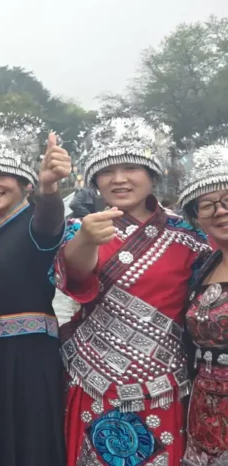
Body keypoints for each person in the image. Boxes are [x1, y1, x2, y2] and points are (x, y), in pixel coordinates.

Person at [54, 117, 209, 466]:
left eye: (131, 168)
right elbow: (75, 276)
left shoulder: (188, 237)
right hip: (95, 381)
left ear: (152, 175)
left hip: (162, 385)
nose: (119, 179)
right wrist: (86, 240)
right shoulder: (80, 229)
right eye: (108, 171)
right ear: (94, 180)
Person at [0, 113, 70, 466]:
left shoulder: (34, 223)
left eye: (1, 175)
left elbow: (51, 222)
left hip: (28, 359)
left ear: (24, 181)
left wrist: (50, 188)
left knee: (27, 446)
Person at [177, 133, 228, 465]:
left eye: (227, 199)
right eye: (207, 205)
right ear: (196, 218)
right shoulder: (205, 264)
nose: (220, 211)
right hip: (204, 407)